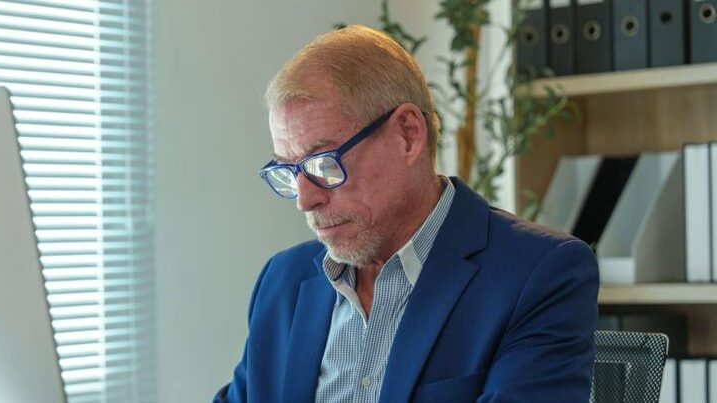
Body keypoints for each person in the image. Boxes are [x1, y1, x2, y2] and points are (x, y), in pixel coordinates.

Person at [213, 25, 599, 403]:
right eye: (289, 171)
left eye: (324, 164)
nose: (305, 199)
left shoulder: (537, 275)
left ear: (408, 134)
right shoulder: (283, 282)